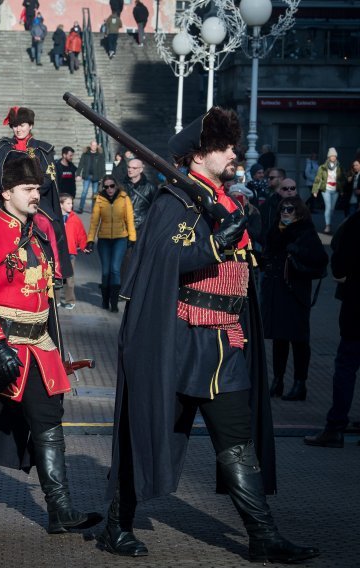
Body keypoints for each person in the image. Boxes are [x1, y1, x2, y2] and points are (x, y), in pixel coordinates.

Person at [97, 107, 318, 563]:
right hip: (179, 340)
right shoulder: (175, 200)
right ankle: (115, 525)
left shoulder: (223, 198)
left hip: (225, 341)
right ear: (200, 155)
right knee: (147, 430)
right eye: (225, 147)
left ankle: (262, 535)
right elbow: (160, 260)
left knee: (237, 443)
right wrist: (214, 245)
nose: (233, 153)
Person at [0, 152, 99, 535]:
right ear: (6, 193)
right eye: (28, 189)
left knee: (49, 426)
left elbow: (45, 297)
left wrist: (56, 347)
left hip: (38, 349)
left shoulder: (38, 235)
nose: (36, 195)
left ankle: (59, 510)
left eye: (37, 189)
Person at [0, 106, 71, 280]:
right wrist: (10, 193)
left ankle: (55, 272)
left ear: (30, 126)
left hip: (34, 198)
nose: (18, 129)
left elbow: (48, 179)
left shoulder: (42, 150)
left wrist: (28, 192)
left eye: (22, 125)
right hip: (6, 197)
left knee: (52, 224)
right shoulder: (3, 148)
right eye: (14, 125)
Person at [262, 196, 328, 401]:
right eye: (283, 208)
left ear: (299, 212)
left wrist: (294, 250)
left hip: (295, 291)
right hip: (277, 291)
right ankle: (278, 381)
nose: (285, 212)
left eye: (290, 209)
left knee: (299, 340)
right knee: (280, 339)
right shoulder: (276, 230)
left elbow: (321, 258)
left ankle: (300, 384)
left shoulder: (305, 231)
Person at [304, 209, 360, 448]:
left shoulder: (355, 223)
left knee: (346, 367)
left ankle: (335, 426)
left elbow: (339, 265)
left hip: (357, 309)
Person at [84, 175, 136, 312]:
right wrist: (90, 240)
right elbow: (94, 221)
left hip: (121, 238)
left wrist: (132, 238)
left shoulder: (124, 198)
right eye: (106, 187)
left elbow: (130, 219)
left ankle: (114, 303)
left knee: (115, 269)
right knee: (106, 271)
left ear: (116, 185)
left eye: (112, 186)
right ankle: (104, 301)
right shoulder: (100, 199)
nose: (109, 189)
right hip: (104, 240)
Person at [59, 193, 87, 309]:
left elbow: (81, 234)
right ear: (61, 204)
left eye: (72, 203)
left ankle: (70, 300)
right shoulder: (55, 218)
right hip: (58, 252)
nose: (71, 205)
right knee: (56, 278)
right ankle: (55, 300)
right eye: (68, 203)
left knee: (69, 278)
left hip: (70, 252)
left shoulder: (75, 218)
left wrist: (84, 246)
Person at [122, 158, 157, 236]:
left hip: (142, 229)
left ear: (141, 170)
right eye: (129, 167)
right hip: (123, 228)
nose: (130, 170)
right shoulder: (121, 186)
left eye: (134, 168)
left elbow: (156, 209)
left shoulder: (150, 187)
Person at [312, 147, 343, 234]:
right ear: (328, 157)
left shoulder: (339, 167)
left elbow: (341, 179)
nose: (333, 157)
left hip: (335, 190)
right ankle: (328, 225)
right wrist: (315, 190)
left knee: (332, 209)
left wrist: (341, 189)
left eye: (334, 156)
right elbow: (318, 179)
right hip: (326, 189)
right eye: (331, 156)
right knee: (328, 207)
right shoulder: (322, 167)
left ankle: (329, 222)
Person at [76, 140, 106, 213]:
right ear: (90, 145)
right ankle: (81, 208)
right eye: (93, 145)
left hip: (96, 177)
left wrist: (102, 177)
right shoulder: (85, 154)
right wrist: (78, 174)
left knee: (95, 193)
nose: (94, 147)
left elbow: (102, 166)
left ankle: (94, 209)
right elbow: (81, 164)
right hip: (87, 176)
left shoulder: (100, 155)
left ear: (97, 146)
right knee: (84, 192)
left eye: (95, 145)